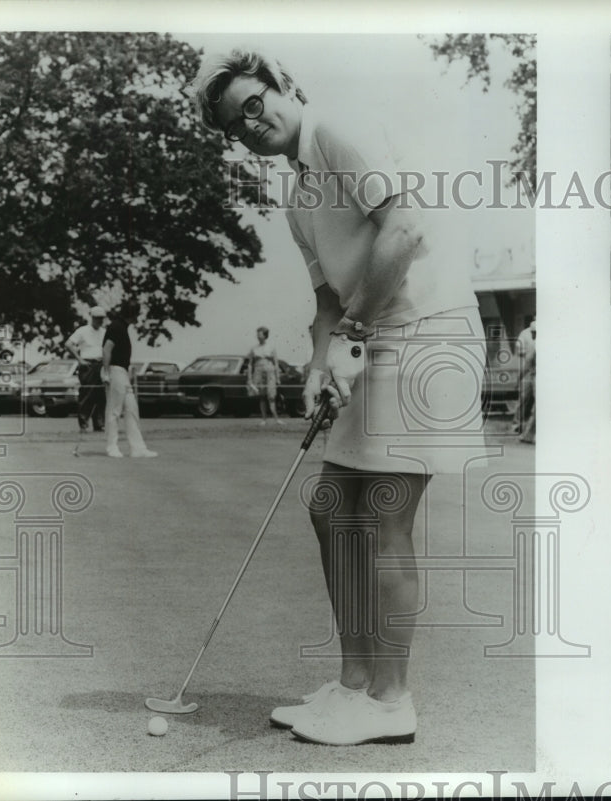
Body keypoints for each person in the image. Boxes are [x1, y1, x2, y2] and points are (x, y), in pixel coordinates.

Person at [192, 48, 486, 746]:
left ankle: (390, 701)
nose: (251, 124)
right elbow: (326, 298)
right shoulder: (297, 195)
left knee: (382, 518)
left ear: (281, 85)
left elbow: (405, 229)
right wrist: (319, 365)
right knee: (332, 509)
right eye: (237, 125)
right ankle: (355, 683)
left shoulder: (336, 127)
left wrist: (352, 331)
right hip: (371, 332)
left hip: (424, 334)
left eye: (254, 103)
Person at [102, 301, 157, 458]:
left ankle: (138, 448)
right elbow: (106, 349)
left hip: (122, 372)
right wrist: (106, 373)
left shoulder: (122, 327)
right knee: (114, 410)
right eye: (136, 314)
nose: (138, 317)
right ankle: (111, 447)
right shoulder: (116, 327)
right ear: (131, 314)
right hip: (115, 371)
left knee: (131, 409)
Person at [65, 305, 107, 433]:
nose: (99, 321)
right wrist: (80, 359)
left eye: (101, 318)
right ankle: (84, 424)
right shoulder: (82, 331)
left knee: (101, 395)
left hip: (101, 364)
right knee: (87, 394)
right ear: (92, 318)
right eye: (97, 318)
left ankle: (99, 424)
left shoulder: (104, 332)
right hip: (87, 364)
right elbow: (68, 344)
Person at [248, 326, 283, 425]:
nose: (258, 336)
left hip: (270, 372)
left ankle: (276, 419)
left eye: (260, 333)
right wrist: (250, 378)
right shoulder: (254, 349)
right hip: (258, 372)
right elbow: (250, 364)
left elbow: (276, 363)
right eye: (257, 334)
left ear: (265, 335)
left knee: (271, 395)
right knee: (262, 396)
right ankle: (264, 419)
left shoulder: (271, 347)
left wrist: (277, 377)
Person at [512, 316, 537, 435]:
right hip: (528, 370)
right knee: (524, 398)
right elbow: (521, 352)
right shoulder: (525, 333)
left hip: (537, 371)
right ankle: (517, 425)